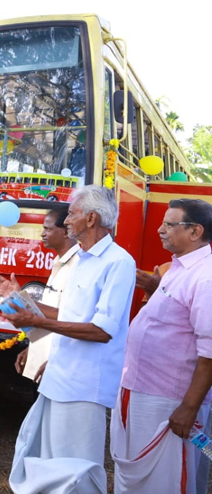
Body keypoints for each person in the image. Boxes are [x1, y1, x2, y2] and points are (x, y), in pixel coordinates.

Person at [6, 185, 136, 494]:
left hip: (84, 386)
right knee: (46, 462)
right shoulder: (84, 259)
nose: (66, 221)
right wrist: (20, 300)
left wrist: (37, 320)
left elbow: (101, 331)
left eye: (73, 214)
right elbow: (69, 313)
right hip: (59, 377)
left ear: (91, 219)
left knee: (77, 470)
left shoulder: (118, 262)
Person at [111, 199, 212, 494]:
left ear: (195, 231)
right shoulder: (177, 268)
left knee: (166, 481)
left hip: (169, 400)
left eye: (169, 224)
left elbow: (209, 353)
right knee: (137, 475)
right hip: (139, 389)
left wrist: (189, 408)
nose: (160, 229)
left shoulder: (205, 277)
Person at [0, 208, 78, 384]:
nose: (42, 234)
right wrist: (33, 347)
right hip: (43, 362)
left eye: (48, 229)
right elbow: (48, 314)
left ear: (66, 231)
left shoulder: (78, 266)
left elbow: (71, 318)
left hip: (57, 367)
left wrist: (22, 299)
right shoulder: (59, 263)